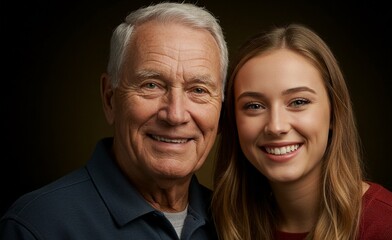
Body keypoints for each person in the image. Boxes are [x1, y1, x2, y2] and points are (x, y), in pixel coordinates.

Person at [1, 2, 228, 240]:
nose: (175, 115)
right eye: (151, 85)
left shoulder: (233, 221)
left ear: (221, 111)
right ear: (110, 99)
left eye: (199, 90)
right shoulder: (37, 226)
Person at [211, 23, 392, 240]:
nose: (276, 126)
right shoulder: (217, 224)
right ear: (232, 120)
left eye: (298, 102)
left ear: (335, 113)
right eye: (254, 106)